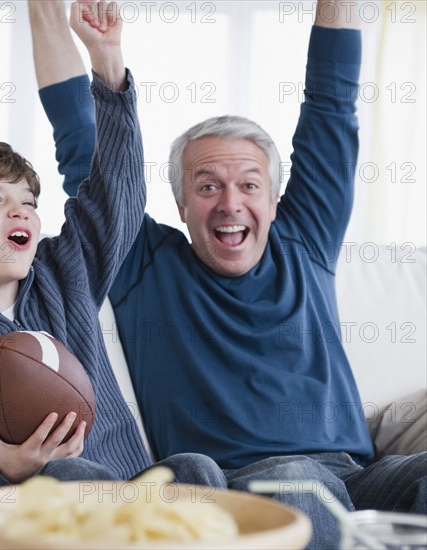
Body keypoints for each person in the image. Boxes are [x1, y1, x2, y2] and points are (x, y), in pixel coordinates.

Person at [30, 0, 427, 548]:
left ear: (275, 197)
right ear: (181, 201)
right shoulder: (141, 261)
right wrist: (55, 20)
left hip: (355, 477)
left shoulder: (303, 240)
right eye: (208, 185)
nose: (230, 203)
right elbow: (81, 142)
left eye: (248, 184)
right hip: (236, 487)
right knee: (296, 482)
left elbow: (332, 104)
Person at [0, 0, 227, 505]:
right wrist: (8, 471)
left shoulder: (65, 275)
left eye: (29, 202)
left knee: (197, 467)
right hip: (50, 514)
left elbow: (118, 196)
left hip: (139, 500)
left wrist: (108, 63)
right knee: (63, 475)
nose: (21, 212)